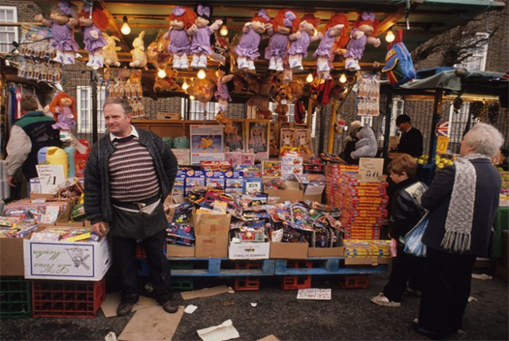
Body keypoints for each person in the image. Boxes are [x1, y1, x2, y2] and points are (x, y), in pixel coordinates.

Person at [84, 98, 178, 316]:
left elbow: (170, 164)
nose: (110, 121)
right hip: (121, 213)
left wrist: (163, 192)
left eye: (115, 116)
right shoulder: (100, 149)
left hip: (153, 210)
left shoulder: (149, 139)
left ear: (129, 116)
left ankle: (164, 294)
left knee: (157, 256)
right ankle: (129, 297)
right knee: (124, 259)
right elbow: (92, 185)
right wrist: (96, 216)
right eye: (107, 117)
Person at [413, 123, 504, 339]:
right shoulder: (494, 173)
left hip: (446, 237)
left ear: (471, 145)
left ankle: (432, 325)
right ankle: (454, 322)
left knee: (438, 282)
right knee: (461, 281)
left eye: (463, 140)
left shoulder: (455, 170)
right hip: (473, 239)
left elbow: (428, 200)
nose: (461, 143)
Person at [371, 154, 427, 307]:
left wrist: (393, 234)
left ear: (403, 174)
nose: (390, 177)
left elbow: (398, 218)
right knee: (418, 262)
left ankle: (392, 296)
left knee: (401, 265)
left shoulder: (402, 192)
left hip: (407, 235)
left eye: (393, 174)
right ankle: (416, 287)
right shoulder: (421, 185)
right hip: (421, 233)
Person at [6, 94, 61, 188]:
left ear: (21, 110)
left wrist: (11, 172)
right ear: (36, 106)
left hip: (35, 174)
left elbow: (18, 152)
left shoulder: (21, 126)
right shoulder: (52, 121)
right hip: (57, 169)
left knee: (37, 201)